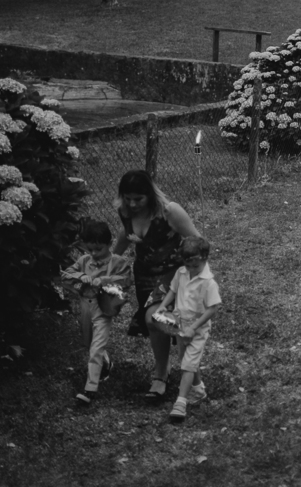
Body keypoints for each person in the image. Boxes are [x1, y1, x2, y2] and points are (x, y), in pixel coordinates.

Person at [111, 169, 201, 401]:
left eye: (138, 199)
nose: (132, 203)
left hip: (173, 275)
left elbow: (198, 242)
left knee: (154, 318)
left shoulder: (169, 211)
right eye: (128, 198)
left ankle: (181, 376)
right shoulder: (125, 211)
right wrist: (110, 261)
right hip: (144, 275)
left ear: (150, 195)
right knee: (154, 324)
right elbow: (125, 234)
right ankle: (165, 371)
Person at [62, 218, 133, 406]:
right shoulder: (84, 261)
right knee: (88, 342)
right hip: (86, 305)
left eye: (98, 250)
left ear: (109, 245)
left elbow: (126, 280)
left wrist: (104, 280)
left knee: (96, 347)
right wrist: (82, 277)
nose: (93, 253)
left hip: (103, 307)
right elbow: (66, 275)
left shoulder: (118, 262)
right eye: (90, 249)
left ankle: (90, 389)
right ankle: (106, 362)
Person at [152, 237, 222, 423]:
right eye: (188, 265)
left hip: (197, 329)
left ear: (205, 258)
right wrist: (162, 307)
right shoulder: (181, 273)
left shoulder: (208, 283)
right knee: (187, 360)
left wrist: (193, 327)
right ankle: (198, 390)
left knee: (187, 365)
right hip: (180, 326)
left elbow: (213, 308)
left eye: (195, 266)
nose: (191, 270)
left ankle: (180, 402)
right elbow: (173, 291)